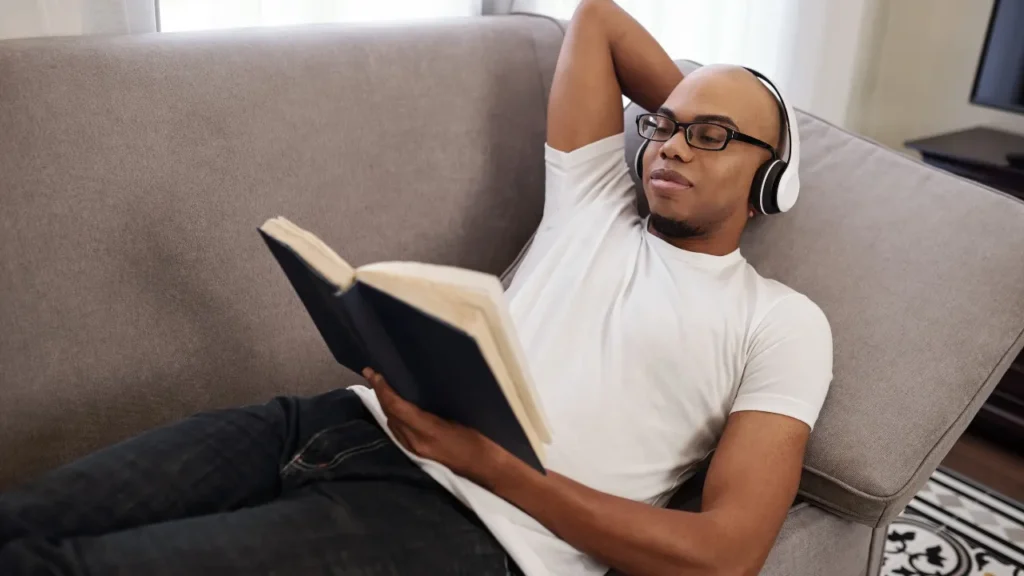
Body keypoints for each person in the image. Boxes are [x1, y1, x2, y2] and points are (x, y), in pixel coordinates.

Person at [0, 0, 832, 574]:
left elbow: (728, 554)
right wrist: (695, 118)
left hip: (468, 529)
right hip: (333, 420)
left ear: (775, 183)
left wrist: (494, 467)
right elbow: (598, 18)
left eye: (711, 137)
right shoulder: (597, 200)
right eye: (662, 128)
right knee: (19, 522)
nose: (671, 147)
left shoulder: (780, 322)